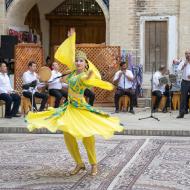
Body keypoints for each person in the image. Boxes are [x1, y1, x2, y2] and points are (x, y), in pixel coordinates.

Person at [25, 28, 123, 176]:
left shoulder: (83, 75)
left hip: (81, 109)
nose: (78, 62)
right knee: (68, 136)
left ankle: (93, 164)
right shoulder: (71, 74)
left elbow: (87, 78)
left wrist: (89, 74)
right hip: (69, 108)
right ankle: (79, 163)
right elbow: (67, 68)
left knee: (87, 136)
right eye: (77, 60)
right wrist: (71, 39)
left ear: (85, 64)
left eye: (81, 61)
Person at [177, 50, 190, 118]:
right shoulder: (183, 63)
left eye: (189, 53)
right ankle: (181, 113)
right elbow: (178, 70)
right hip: (184, 82)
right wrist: (184, 65)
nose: (188, 55)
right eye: (186, 54)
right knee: (183, 98)